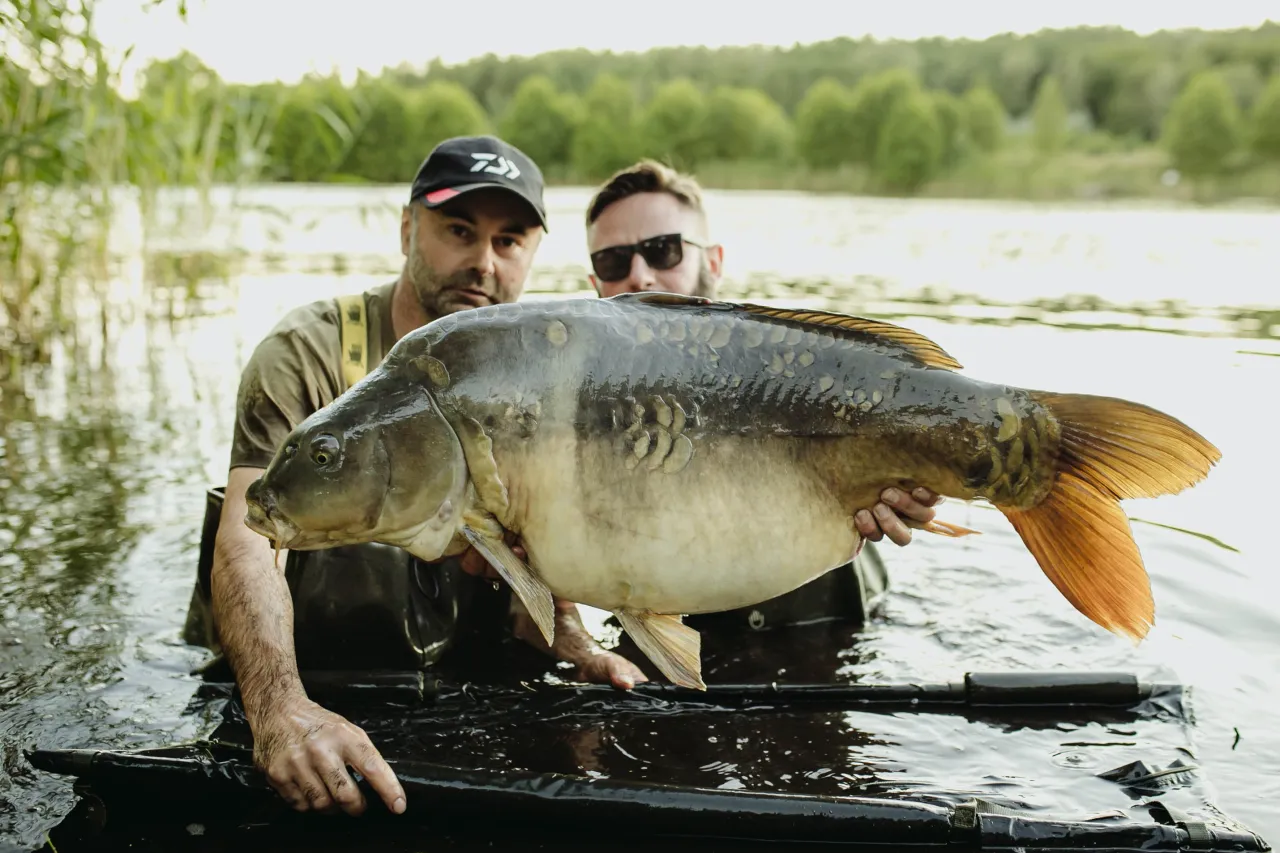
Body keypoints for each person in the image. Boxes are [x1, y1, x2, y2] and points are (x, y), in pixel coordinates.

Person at [194, 135, 644, 820]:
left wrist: (571, 639)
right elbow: (251, 536)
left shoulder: (535, 370)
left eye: (509, 241)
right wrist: (280, 707)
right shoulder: (307, 352)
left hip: (458, 691)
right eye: (459, 231)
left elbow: (529, 545)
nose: (483, 263)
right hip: (308, 679)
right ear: (408, 228)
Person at [581, 159, 943, 634]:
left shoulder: (800, 368)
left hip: (834, 626)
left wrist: (913, 490)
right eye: (613, 261)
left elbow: (917, 450)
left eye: (663, 251)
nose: (640, 276)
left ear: (713, 262)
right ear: (594, 285)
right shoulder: (583, 414)